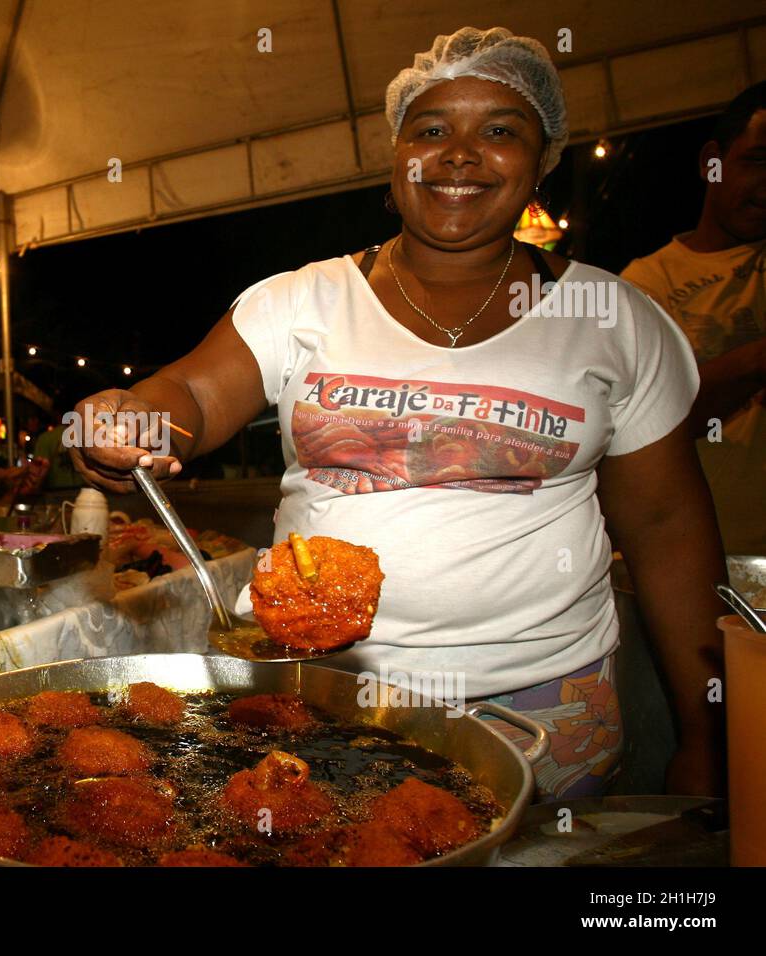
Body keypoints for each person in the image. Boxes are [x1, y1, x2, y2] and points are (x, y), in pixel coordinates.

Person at [71, 27, 727, 800]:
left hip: (545, 714)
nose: (459, 152)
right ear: (396, 156)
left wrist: (708, 738)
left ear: (543, 161)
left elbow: (666, 530)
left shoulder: (611, 316)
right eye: (432, 129)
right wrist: (129, 418)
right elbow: (193, 397)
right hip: (323, 700)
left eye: (500, 130)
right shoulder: (303, 299)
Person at [621, 81, 766, 554]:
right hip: (709, 558)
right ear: (713, 162)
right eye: (757, 160)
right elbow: (641, 423)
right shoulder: (645, 285)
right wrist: (751, 363)